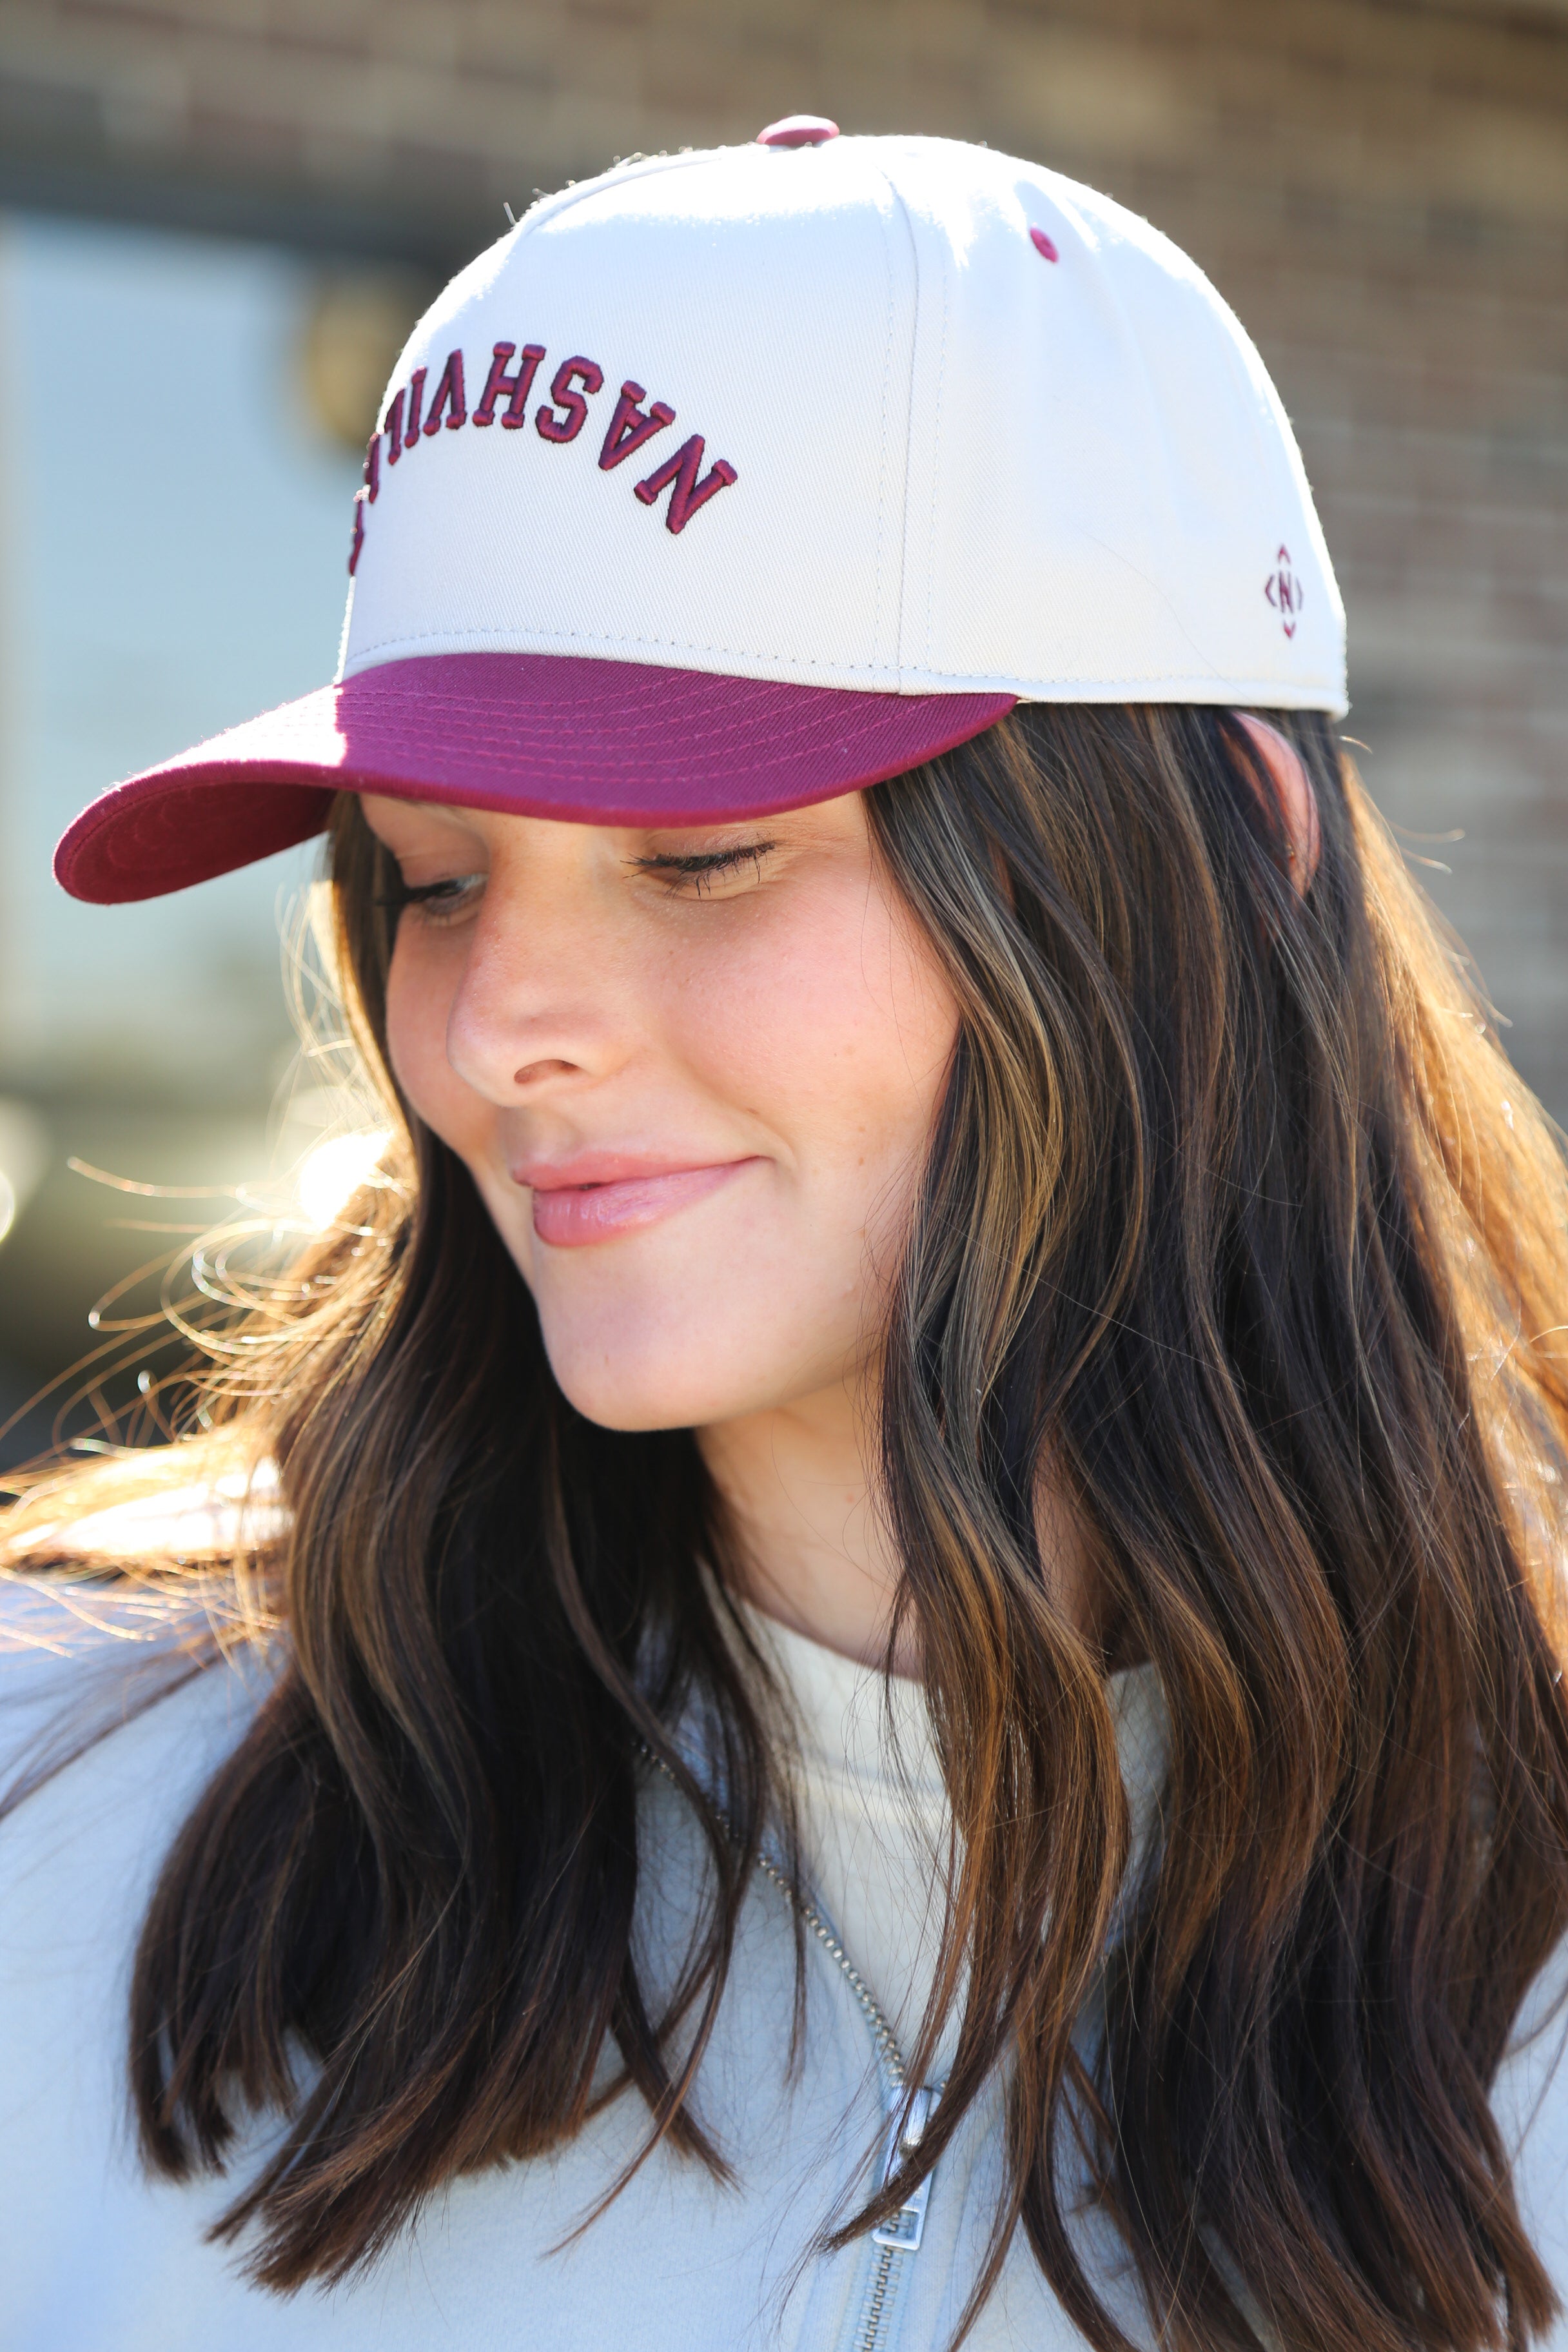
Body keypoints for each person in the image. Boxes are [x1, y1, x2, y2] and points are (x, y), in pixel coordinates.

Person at [3, 122, 1567, 2352]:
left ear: (1229, 840)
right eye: (431, 877)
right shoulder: (56, 1800)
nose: (496, 1026)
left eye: (704, 851)